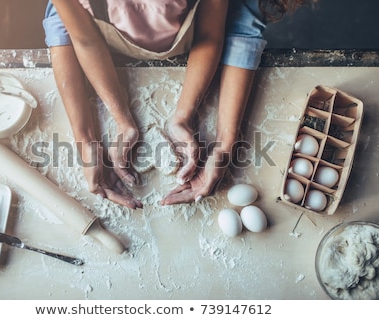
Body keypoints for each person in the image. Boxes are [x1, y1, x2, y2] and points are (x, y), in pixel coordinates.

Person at [43, 0, 313, 209]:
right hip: (101, 37)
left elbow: (212, 31)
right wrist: (91, 136)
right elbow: (83, 38)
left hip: (196, 34)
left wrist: (221, 138)